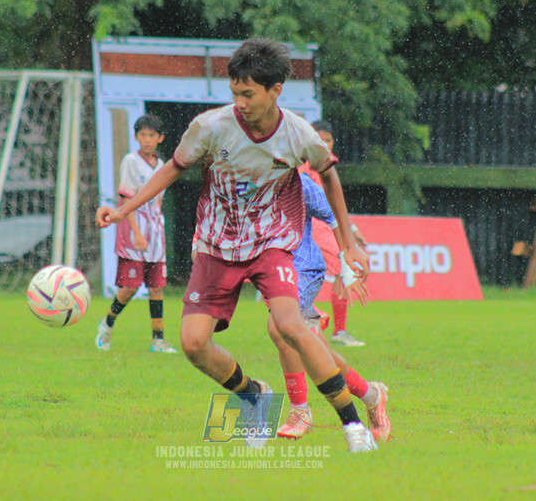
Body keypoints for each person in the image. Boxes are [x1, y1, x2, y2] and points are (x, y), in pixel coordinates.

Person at [96, 38, 377, 452]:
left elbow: (329, 176)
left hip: (271, 242)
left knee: (289, 325)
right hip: (216, 245)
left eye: (248, 93)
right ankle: (254, 396)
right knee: (192, 343)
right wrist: (124, 210)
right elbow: (174, 168)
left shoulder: (298, 133)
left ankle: (353, 425)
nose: (240, 101)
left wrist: (348, 241)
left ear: (274, 90)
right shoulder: (211, 127)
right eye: (235, 93)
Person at [270, 171, 391, 442]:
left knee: (280, 329)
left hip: (302, 268)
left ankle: (300, 410)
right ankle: (372, 394)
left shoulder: (300, 182)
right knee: (316, 353)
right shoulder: (246, 177)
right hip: (271, 272)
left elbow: (334, 217)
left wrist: (346, 269)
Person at [95, 114, 178, 354]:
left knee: (156, 287)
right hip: (134, 233)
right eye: (143, 135)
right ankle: (107, 325)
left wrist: (153, 233)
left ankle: (158, 340)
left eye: (152, 135)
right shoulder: (131, 161)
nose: (147, 139)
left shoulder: (162, 166)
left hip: (155, 234)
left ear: (160, 138)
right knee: (130, 288)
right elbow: (127, 198)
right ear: (136, 137)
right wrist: (136, 232)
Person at [298, 120, 370, 347]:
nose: (324, 144)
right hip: (315, 228)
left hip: (323, 228)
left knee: (340, 271)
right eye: (320, 139)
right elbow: (321, 203)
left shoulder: (324, 166)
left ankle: (315, 322)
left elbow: (331, 202)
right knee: (342, 269)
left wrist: (353, 230)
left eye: (328, 140)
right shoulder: (307, 166)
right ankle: (326, 326)